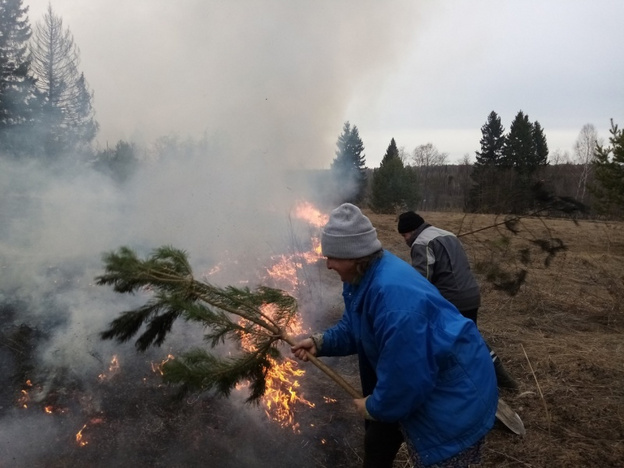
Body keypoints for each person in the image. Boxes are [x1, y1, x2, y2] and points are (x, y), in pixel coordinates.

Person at [291, 203, 497, 468]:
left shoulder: (394, 303)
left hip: (452, 401)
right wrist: (321, 342)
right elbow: (356, 326)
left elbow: (406, 378)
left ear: (355, 256)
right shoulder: (362, 278)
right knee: (377, 442)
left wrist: (375, 407)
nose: (328, 264)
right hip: (418, 386)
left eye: (332, 256)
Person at [397, 210, 518, 390]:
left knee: (440, 338)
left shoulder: (421, 242)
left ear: (412, 230)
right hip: (471, 294)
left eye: (405, 235)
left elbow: (422, 280)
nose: (405, 240)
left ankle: (468, 382)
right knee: (471, 338)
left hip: (452, 298)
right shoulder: (448, 234)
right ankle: (494, 378)